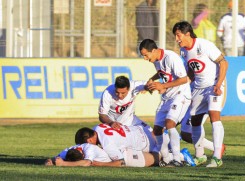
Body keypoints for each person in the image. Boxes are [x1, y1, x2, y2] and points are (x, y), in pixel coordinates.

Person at [172, 21, 228, 167]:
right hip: (198, 87)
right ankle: (200, 156)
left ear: (187, 34)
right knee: (195, 120)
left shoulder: (204, 45)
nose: (177, 39)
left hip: (214, 85)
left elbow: (224, 63)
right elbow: (191, 71)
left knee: (214, 115)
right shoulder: (183, 51)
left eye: (178, 35)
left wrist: (218, 84)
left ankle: (216, 157)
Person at [139, 39, 191, 167]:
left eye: (146, 55)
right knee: (157, 130)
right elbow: (161, 73)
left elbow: (184, 79)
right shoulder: (156, 60)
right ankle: (166, 159)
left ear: (154, 50)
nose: (145, 58)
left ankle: (177, 160)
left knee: (170, 124)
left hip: (180, 95)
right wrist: (152, 80)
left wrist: (163, 85)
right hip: (167, 97)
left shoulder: (171, 57)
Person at [75, 124, 160, 167]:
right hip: (143, 130)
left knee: (126, 156)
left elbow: (120, 163)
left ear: (89, 140)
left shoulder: (107, 144)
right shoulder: (97, 127)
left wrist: (98, 164)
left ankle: (161, 157)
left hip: (148, 143)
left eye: (86, 145)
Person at [44, 143, 156, 167]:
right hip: (117, 157)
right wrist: (50, 161)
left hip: (124, 155)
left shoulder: (89, 148)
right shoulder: (69, 150)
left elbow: (86, 163)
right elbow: (54, 158)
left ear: (83, 154)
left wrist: (63, 163)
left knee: (155, 159)